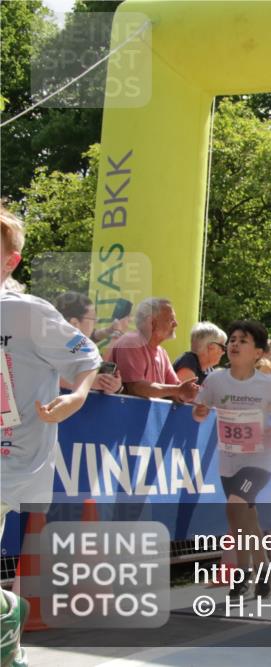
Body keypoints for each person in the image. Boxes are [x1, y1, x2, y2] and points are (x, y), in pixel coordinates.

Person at [1, 205, 102, 667]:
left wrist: (76, 397)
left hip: (13, 457)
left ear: (10, 261)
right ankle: (8, 615)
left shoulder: (26, 313)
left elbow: (86, 359)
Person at [192, 320, 271, 600]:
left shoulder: (266, 383)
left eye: (243, 341)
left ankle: (243, 573)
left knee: (236, 509)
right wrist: (199, 412)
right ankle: (263, 569)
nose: (234, 344)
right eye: (232, 339)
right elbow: (200, 411)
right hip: (229, 460)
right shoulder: (215, 380)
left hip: (259, 461)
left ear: (258, 352)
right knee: (245, 519)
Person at [110, 297, 199, 402]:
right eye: (171, 319)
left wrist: (191, 394)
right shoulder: (131, 342)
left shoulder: (162, 352)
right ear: (152, 322)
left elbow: (176, 390)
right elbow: (136, 387)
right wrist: (178, 390)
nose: (176, 324)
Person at [53, 291, 123, 394]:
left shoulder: (75, 343)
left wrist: (115, 386)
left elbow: (93, 336)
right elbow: (50, 375)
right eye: (93, 319)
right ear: (74, 323)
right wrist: (89, 382)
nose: (95, 323)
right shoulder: (52, 346)